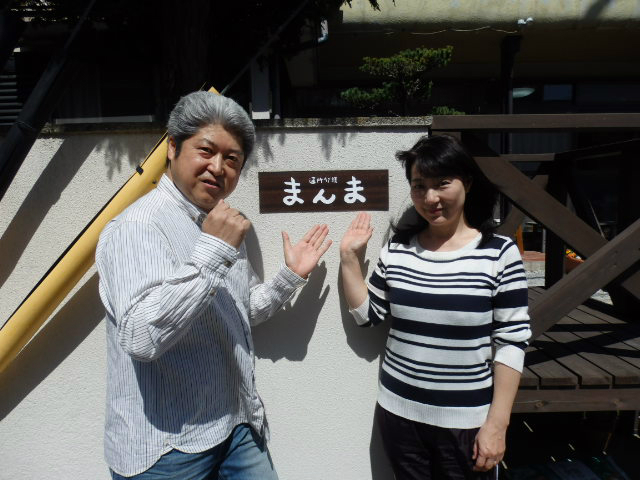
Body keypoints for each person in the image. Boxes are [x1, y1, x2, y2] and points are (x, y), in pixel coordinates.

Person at [96, 91, 331, 479]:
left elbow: (241, 308)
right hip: (165, 448)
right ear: (173, 148)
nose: (218, 167)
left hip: (236, 424)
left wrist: (289, 277)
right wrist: (215, 250)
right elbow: (139, 337)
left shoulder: (222, 222)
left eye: (232, 159)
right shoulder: (137, 227)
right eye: (206, 151)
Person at [339, 135, 531, 479]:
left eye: (442, 183)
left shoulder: (499, 254)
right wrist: (349, 259)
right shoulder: (397, 250)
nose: (430, 198)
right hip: (398, 416)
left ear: (467, 183)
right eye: (419, 186)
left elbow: (512, 343)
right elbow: (369, 316)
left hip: (468, 423)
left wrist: (497, 425)